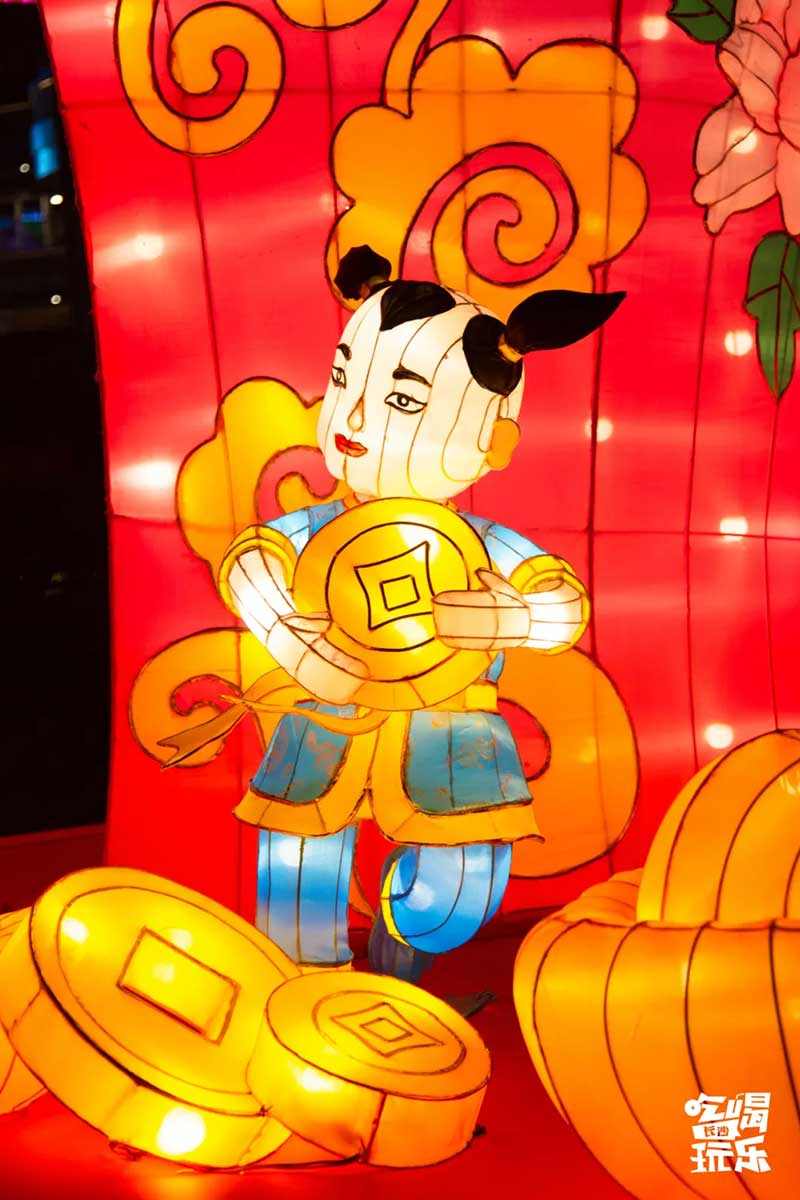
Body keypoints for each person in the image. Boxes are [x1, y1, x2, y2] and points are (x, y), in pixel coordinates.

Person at [220, 245, 624, 980]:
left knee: (456, 894)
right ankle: (308, 997)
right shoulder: (316, 532)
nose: (355, 415)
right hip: (324, 727)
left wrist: (514, 619)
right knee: (298, 883)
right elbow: (249, 563)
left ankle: (399, 964)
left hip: (453, 734)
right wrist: (288, 637)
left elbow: (564, 602)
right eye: (345, 377)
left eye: (403, 400)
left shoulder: (479, 545)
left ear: (493, 436)